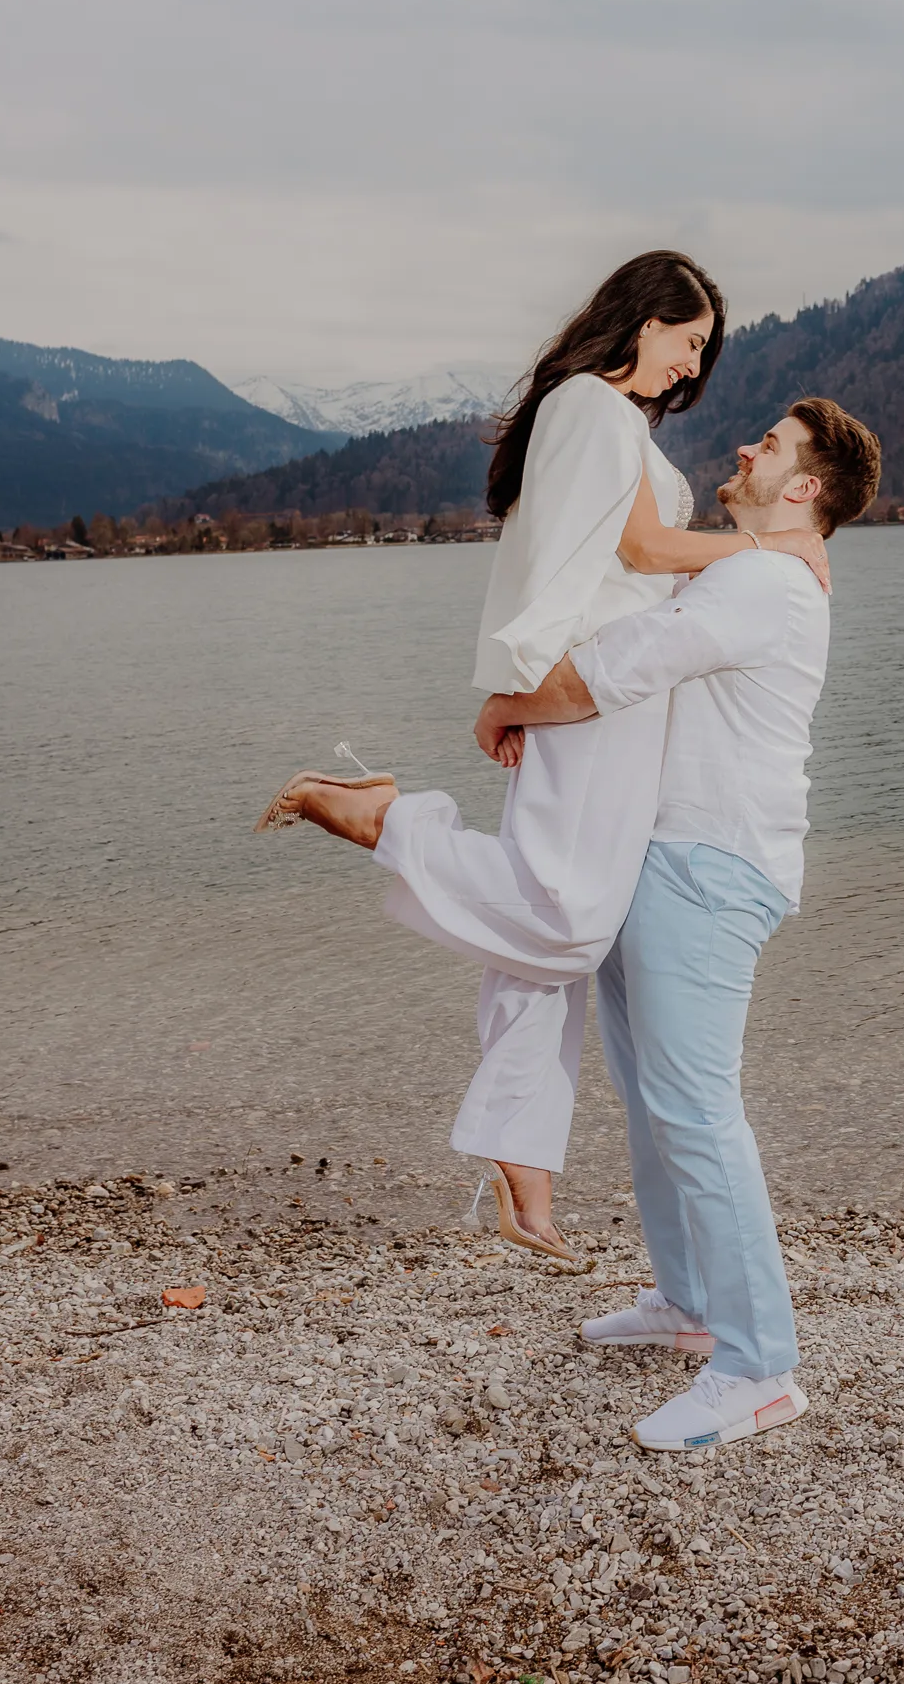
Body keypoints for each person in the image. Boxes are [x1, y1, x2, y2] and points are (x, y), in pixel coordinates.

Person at [254, 252, 828, 1259]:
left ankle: (525, 1165)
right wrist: (773, 550)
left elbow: (605, 554)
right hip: (597, 689)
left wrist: (522, 687)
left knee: (550, 920)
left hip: (605, 688)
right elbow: (643, 554)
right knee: (564, 919)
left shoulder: (597, 416)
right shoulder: (596, 408)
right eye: (689, 343)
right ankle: (388, 817)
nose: (692, 370)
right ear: (647, 320)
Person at [471, 396, 881, 1448]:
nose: (747, 446)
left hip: (709, 865)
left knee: (697, 1110)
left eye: (773, 447)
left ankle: (761, 1366)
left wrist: (507, 704)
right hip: (660, 857)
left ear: (803, 489)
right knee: (654, 1100)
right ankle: (692, 1307)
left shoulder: (766, 582)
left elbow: (616, 671)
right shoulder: (747, 568)